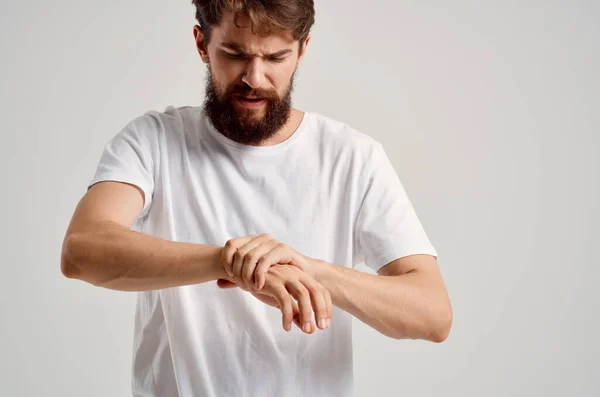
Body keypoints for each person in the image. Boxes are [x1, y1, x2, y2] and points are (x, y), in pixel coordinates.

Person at [60, 1, 453, 396]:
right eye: (234, 55)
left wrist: (309, 271)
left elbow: (433, 314)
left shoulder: (353, 157)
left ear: (302, 50)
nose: (254, 77)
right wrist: (230, 264)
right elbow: (82, 249)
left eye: (276, 57)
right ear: (202, 44)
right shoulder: (154, 140)